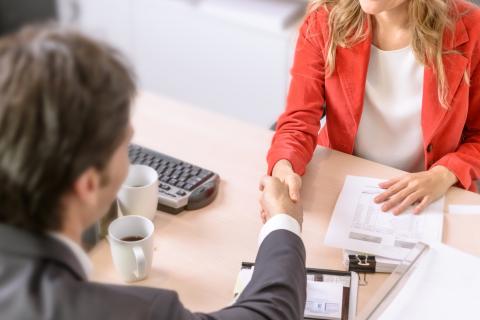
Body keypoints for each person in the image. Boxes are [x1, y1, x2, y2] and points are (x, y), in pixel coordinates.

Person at [0, 26, 306, 320]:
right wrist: (283, 222)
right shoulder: (138, 313)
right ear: (89, 184)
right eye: (126, 144)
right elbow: (271, 312)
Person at [267, 0, 480, 215]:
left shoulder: (471, 27)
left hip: (430, 196)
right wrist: (284, 165)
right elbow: (298, 119)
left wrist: (444, 174)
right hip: (342, 182)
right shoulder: (323, 20)